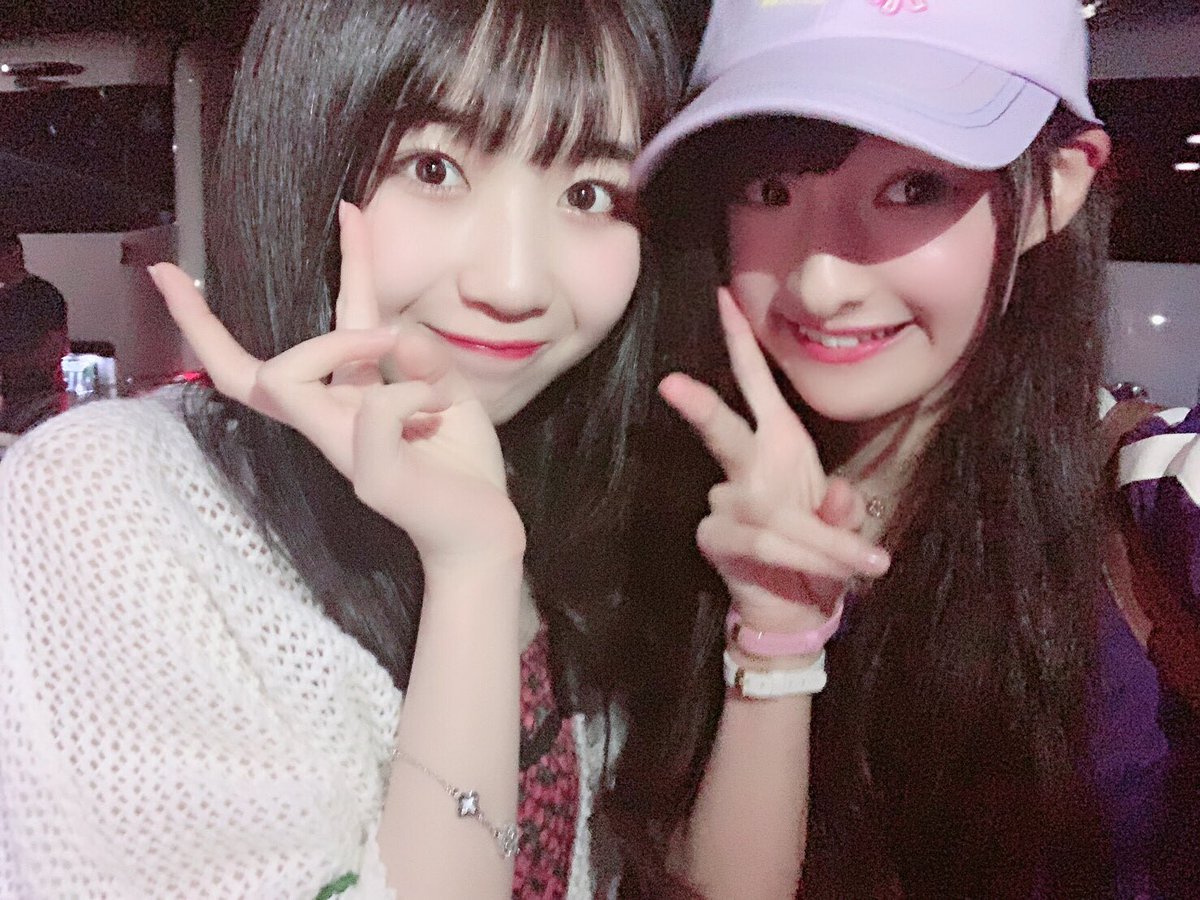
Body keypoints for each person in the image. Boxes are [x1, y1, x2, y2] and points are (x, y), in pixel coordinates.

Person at [0, 1, 682, 896]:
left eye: (588, 193)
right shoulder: (105, 506)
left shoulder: (560, 476)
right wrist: (473, 569)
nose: (516, 283)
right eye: (436, 168)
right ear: (309, 163)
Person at [609, 0, 1200, 896]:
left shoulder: (1159, 499)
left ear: (1053, 189)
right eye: (768, 190)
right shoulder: (657, 493)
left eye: (914, 186)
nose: (821, 281)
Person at [0, 231, 69, 434]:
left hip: (40, 399)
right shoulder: (8, 298)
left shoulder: (43, 296)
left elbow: (52, 351)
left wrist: (11, 365)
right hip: (14, 399)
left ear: (13, 252)